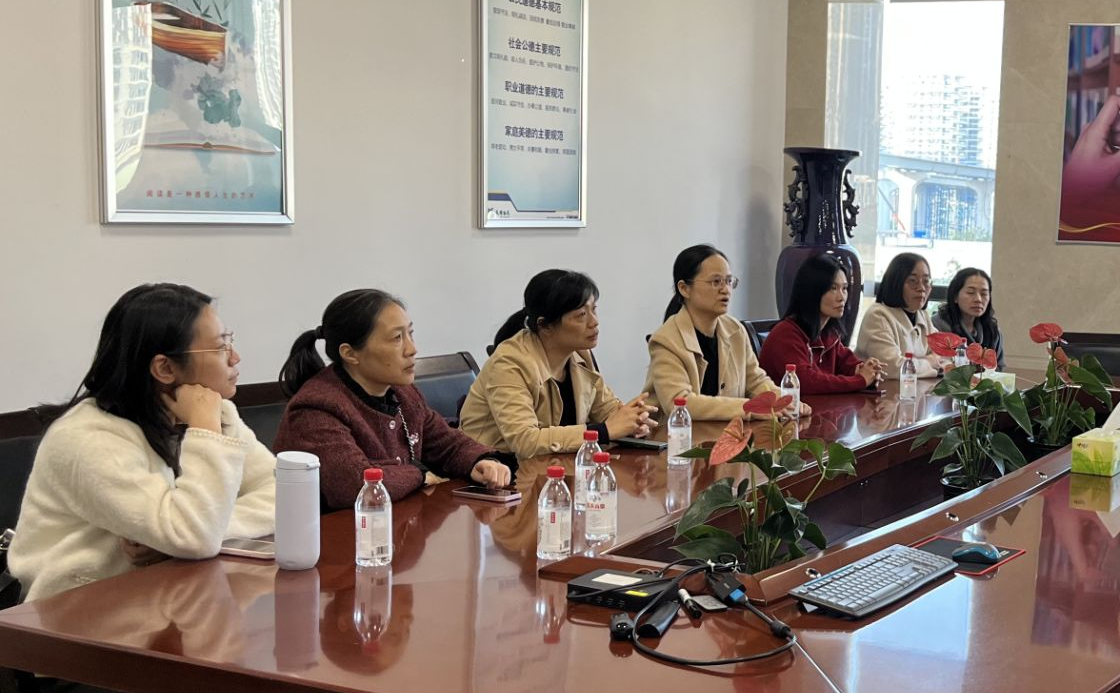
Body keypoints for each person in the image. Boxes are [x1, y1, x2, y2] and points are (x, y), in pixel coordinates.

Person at [12, 283, 275, 608]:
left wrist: (199, 532)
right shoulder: (88, 439)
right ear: (165, 368)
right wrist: (205, 433)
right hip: (81, 613)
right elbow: (194, 537)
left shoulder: (215, 413)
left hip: (170, 599)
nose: (235, 358)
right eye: (221, 347)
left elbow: (281, 494)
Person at [274, 289, 514, 511]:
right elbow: (356, 485)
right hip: (337, 536)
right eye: (397, 338)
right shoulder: (316, 409)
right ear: (350, 353)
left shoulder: (403, 393)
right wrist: (420, 474)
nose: (412, 349)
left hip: (395, 525)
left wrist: (480, 461)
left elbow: (447, 444)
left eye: (410, 333)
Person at [461, 270, 655, 457]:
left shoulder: (580, 354)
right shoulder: (509, 363)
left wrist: (632, 421)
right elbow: (525, 441)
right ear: (545, 325)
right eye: (581, 315)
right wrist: (604, 431)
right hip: (495, 470)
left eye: (594, 309)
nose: (594, 322)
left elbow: (608, 412)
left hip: (555, 468)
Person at [647, 245, 795, 420]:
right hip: (679, 435)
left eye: (729, 281)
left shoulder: (735, 330)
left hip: (728, 433)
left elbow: (756, 382)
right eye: (716, 282)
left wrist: (786, 402)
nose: (725, 290)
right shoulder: (666, 340)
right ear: (684, 288)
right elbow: (680, 403)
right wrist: (750, 408)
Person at [757, 255, 884, 395]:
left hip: (819, 407)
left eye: (844, 288)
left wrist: (866, 370)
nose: (841, 297)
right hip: (787, 408)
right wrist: (860, 380)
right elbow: (806, 382)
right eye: (833, 288)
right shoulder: (785, 334)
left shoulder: (828, 333)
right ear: (812, 291)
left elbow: (847, 364)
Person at [856, 253, 953, 377]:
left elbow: (943, 354)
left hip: (917, 387)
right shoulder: (878, 316)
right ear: (896, 282)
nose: (921, 288)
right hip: (883, 389)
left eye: (926, 281)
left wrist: (927, 363)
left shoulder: (922, 315)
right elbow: (893, 368)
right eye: (913, 281)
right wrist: (930, 362)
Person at [933, 267, 1004, 364]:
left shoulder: (992, 331)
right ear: (955, 296)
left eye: (984, 294)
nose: (978, 299)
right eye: (971, 292)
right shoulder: (937, 326)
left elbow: (999, 367)